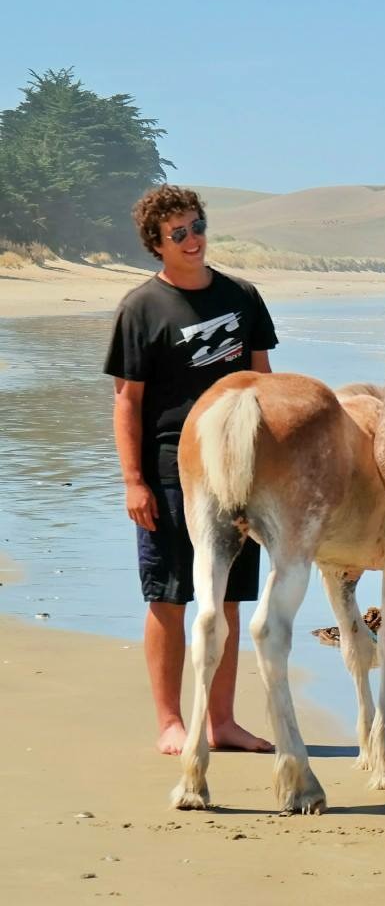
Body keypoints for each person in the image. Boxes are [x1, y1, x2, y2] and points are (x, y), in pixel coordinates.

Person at [104, 185, 278, 755]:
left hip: (240, 470)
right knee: (169, 598)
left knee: (226, 599)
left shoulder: (243, 297)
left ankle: (221, 721)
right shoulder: (141, 308)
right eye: (178, 233)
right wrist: (133, 481)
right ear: (157, 244)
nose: (193, 238)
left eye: (197, 225)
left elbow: (264, 385)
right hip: (170, 471)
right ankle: (169, 722)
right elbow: (128, 401)